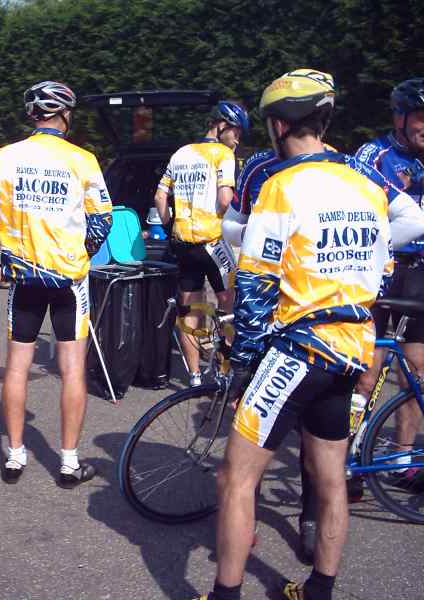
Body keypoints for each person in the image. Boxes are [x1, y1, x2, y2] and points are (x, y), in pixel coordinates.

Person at [195, 69, 396, 600]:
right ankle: (320, 590)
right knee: (330, 478)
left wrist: (242, 366)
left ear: (279, 124)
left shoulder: (280, 185)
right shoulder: (368, 185)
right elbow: (385, 268)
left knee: (235, 477)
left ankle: (225, 594)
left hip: (299, 348)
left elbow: (256, 289)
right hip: (354, 346)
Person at [0, 80, 112, 486]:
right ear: (65, 114)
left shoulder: (6, 156)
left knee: (16, 367)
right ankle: (68, 462)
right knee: (73, 369)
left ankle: (13, 455)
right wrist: (80, 253)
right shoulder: (83, 159)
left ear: (33, 115)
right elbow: (102, 220)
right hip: (68, 279)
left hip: (23, 277)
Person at [354, 77, 424, 494]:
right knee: (366, 372)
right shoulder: (374, 155)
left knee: (416, 371)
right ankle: (345, 455)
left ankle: (401, 461)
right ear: (400, 117)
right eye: (420, 118)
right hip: (383, 267)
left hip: (420, 270)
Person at [154, 100, 248, 387]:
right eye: (237, 132)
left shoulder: (181, 154)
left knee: (190, 310)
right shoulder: (223, 155)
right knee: (228, 306)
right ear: (223, 125)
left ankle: (194, 376)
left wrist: (171, 223)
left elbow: (159, 198)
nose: (238, 139)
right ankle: (223, 371)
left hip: (183, 243)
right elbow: (224, 199)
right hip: (213, 241)